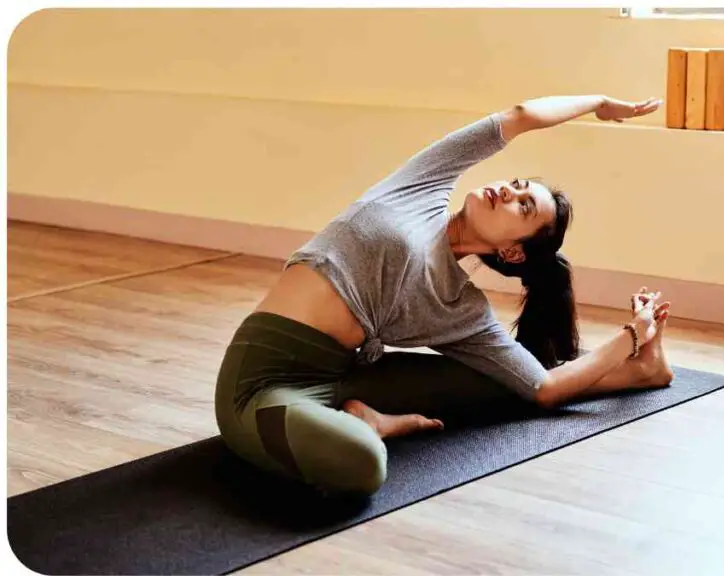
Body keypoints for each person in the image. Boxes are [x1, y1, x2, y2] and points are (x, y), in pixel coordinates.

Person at [214, 94, 673, 495]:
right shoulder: (424, 186)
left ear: (512, 251)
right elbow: (519, 115)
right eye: (516, 185)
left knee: (506, 383)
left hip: (344, 375)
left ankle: (642, 373)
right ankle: (370, 423)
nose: (507, 191)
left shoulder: (460, 307)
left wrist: (630, 337)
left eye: (523, 205)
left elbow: (543, 389)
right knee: (362, 464)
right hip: (261, 383)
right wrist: (597, 104)